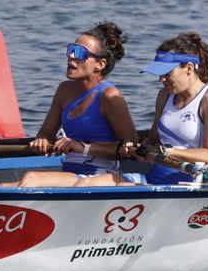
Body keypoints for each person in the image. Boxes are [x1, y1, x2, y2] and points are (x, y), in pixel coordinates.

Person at [9, 22, 140, 187]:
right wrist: (42, 140)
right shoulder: (64, 90)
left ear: (100, 65)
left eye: (80, 53)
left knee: (32, 179)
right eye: (71, 50)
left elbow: (131, 149)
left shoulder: (109, 96)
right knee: (2, 188)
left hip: (101, 174)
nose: (71, 56)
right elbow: (46, 133)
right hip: (72, 173)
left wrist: (81, 147)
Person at [95, 34, 208, 186]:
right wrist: (137, 147)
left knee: (122, 186)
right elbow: (153, 140)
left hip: (188, 179)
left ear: (189, 68)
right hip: (156, 176)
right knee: (90, 183)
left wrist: (168, 152)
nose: (161, 80)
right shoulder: (165, 95)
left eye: (166, 73)